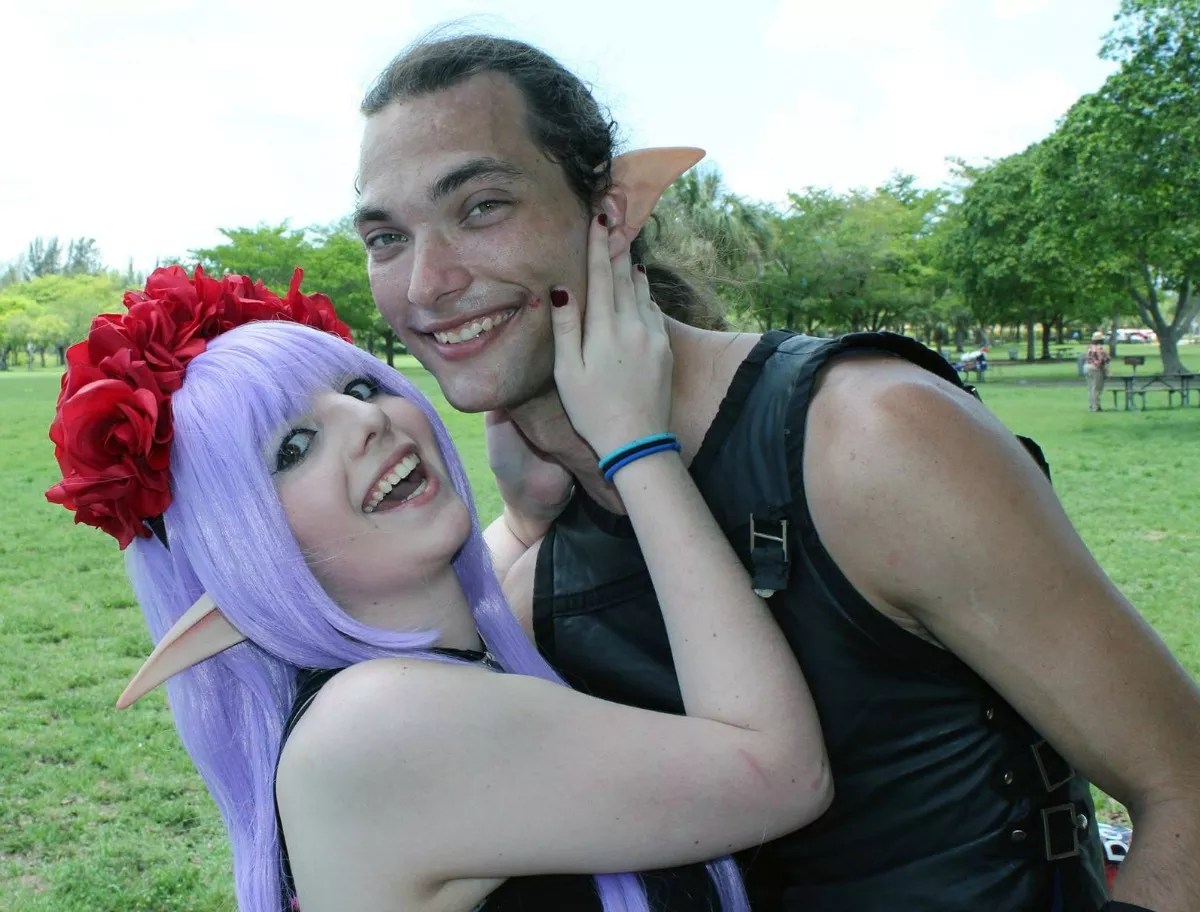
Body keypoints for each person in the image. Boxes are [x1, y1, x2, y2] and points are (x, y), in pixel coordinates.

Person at [353, 32, 1200, 912]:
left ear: (608, 214)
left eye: (482, 207)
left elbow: (1184, 787)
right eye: (386, 237)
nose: (425, 284)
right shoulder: (542, 565)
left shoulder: (871, 438)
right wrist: (525, 527)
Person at [45, 261, 831, 912]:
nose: (367, 421)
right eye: (293, 446)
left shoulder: (388, 697)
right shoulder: (378, 724)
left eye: (359, 389)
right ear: (238, 548)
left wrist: (522, 520)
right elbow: (782, 775)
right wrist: (636, 444)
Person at [1086, 331, 1112, 412]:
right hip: (1096, 369)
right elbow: (1104, 361)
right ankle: (1096, 407)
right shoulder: (1101, 348)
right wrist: (1108, 372)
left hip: (1087, 368)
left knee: (1091, 388)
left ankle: (1092, 405)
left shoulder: (1089, 347)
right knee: (1097, 388)